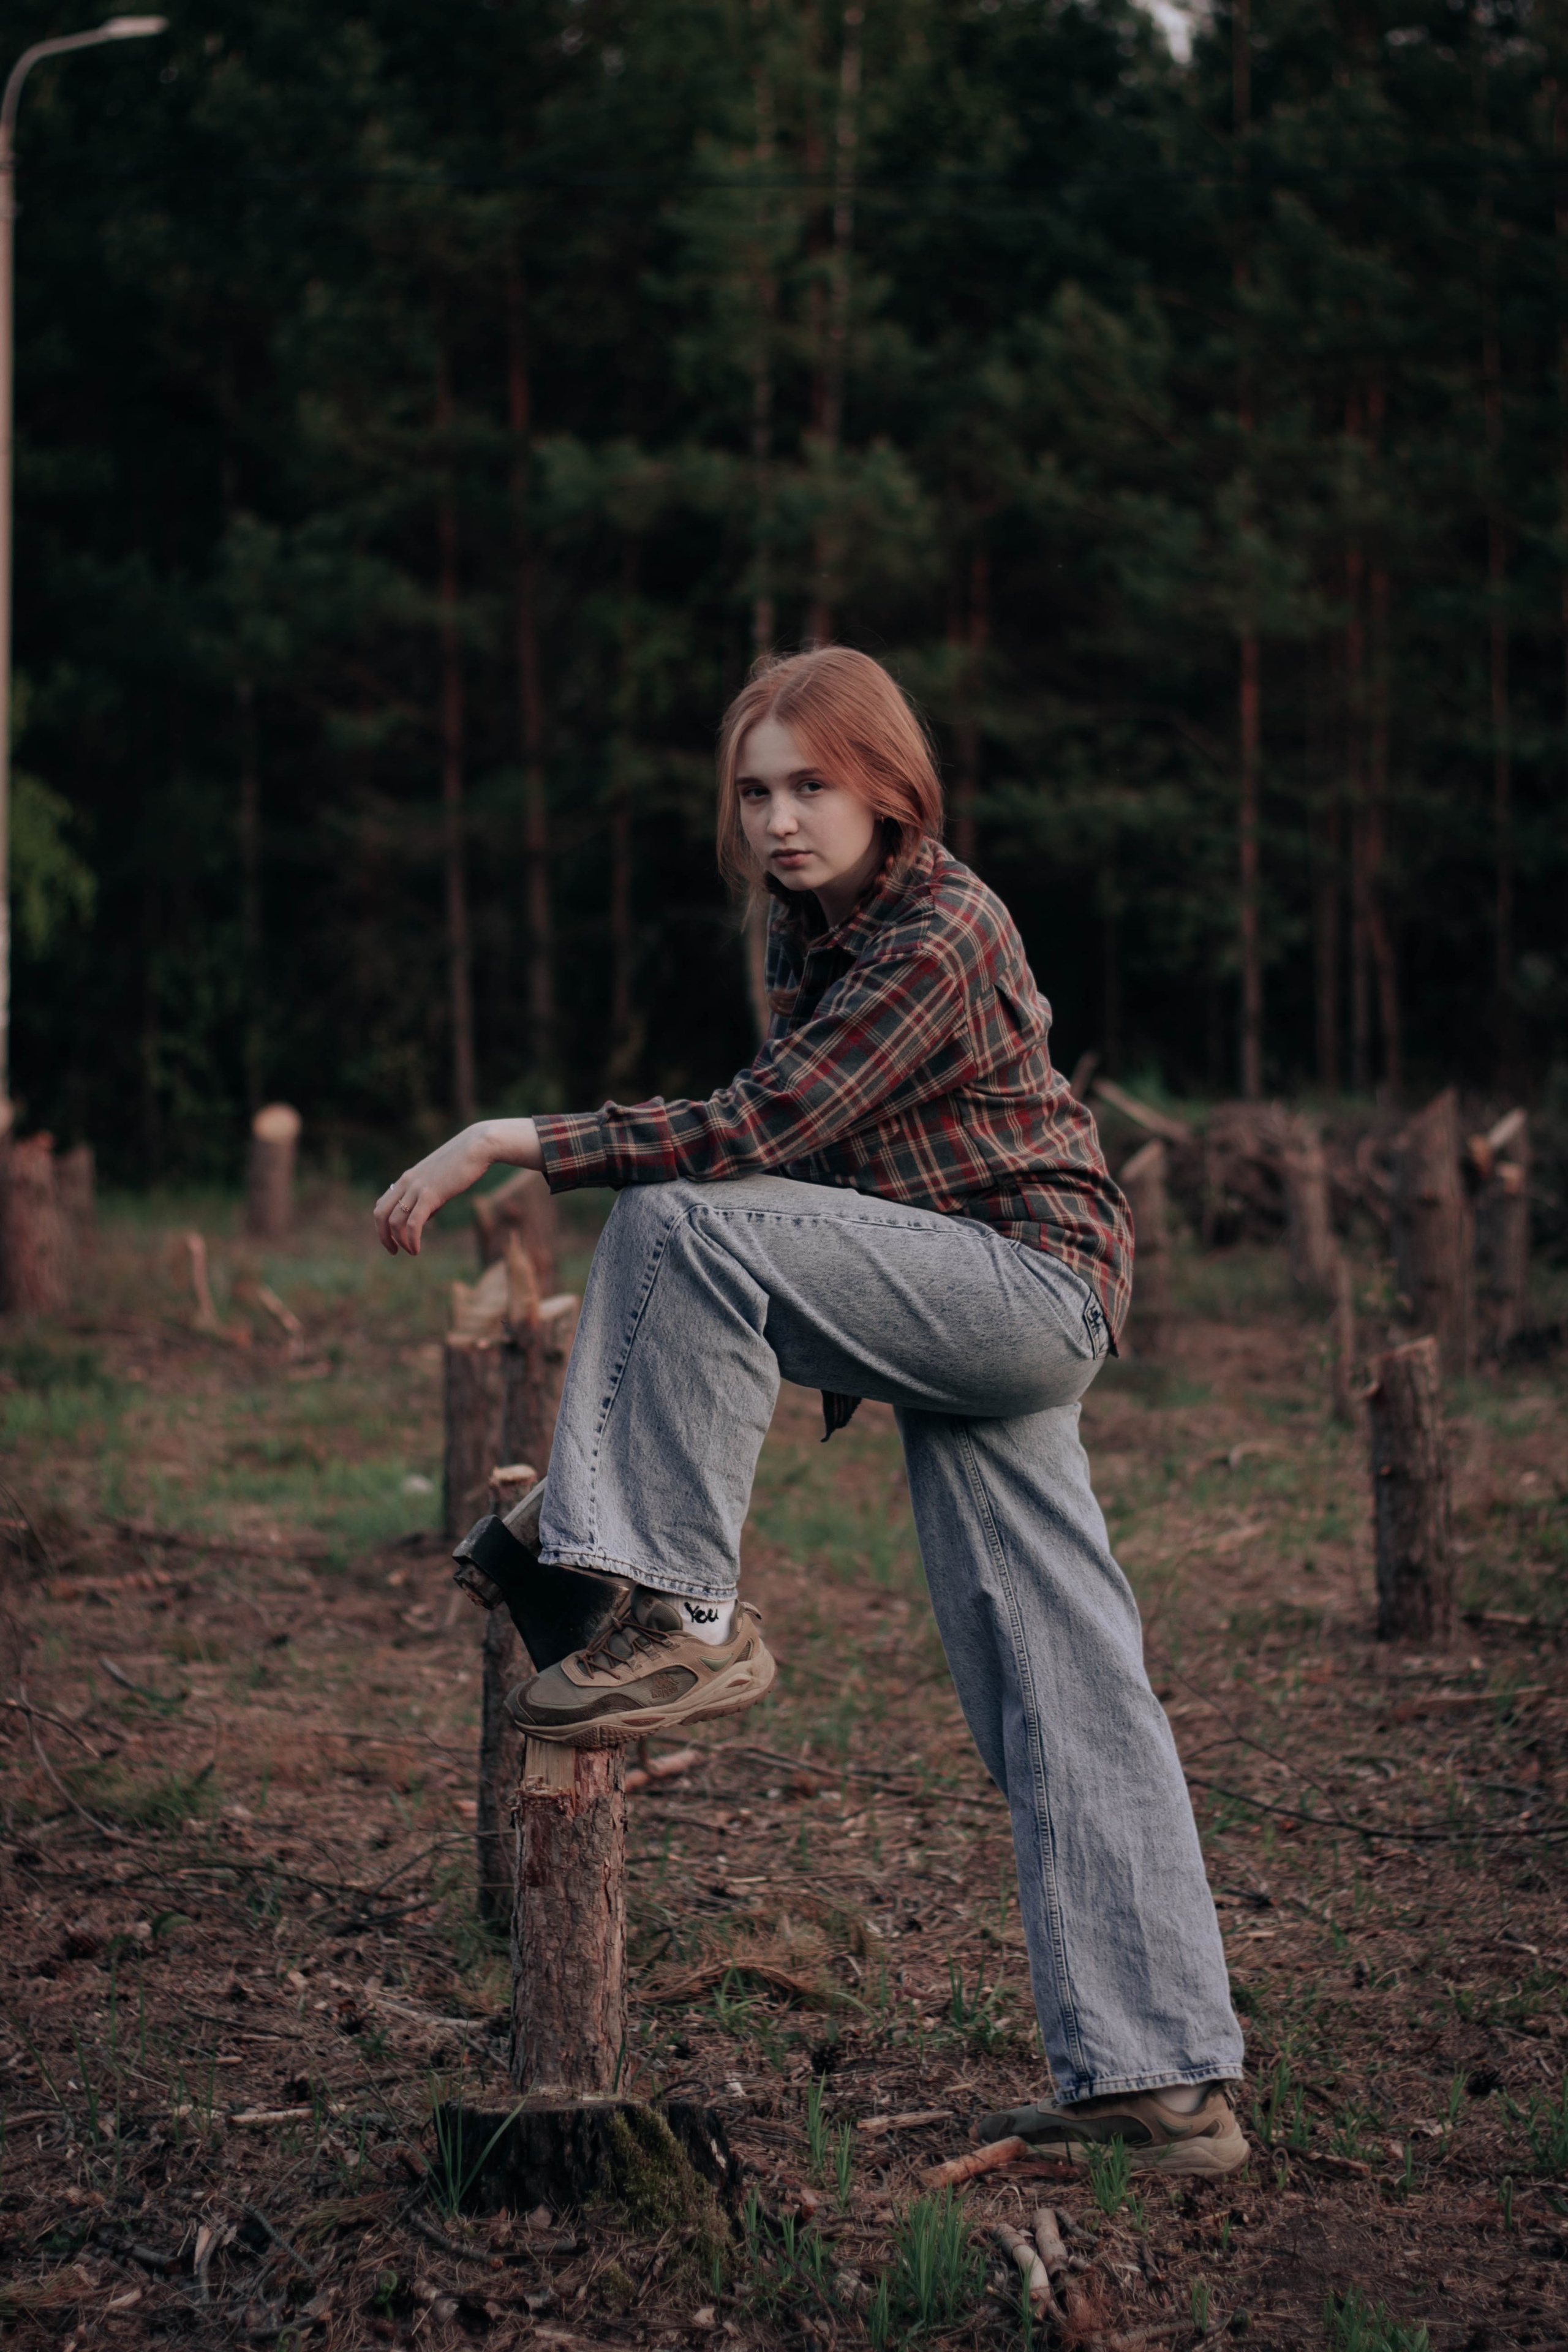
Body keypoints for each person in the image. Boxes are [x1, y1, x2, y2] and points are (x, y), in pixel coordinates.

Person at [374, 646, 1246, 2176]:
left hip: (1028, 1288)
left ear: (888, 787)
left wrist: (505, 1138)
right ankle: (1158, 2084)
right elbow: (813, 1174)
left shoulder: (937, 928)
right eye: (756, 790)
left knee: (674, 1218)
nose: (779, 819)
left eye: (811, 786)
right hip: (953, 1291)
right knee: (1057, 1671)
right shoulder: (808, 932)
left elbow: (755, 1136)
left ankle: (677, 1616)